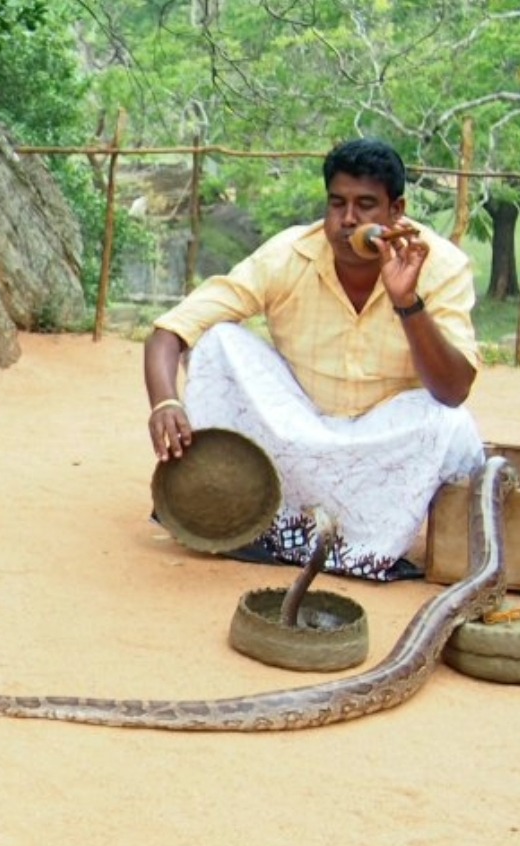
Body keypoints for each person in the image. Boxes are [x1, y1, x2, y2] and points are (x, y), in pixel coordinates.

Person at [143, 137, 484, 581]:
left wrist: (407, 302)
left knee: (450, 425)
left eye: (366, 206)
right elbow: (170, 331)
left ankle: (358, 547)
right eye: (337, 203)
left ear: (396, 211)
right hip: (297, 429)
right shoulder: (289, 254)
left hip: (382, 443)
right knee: (219, 341)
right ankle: (262, 521)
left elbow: (453, 390)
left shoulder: (441, 266)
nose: (347, 220)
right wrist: (164, 401)